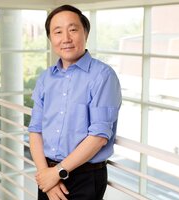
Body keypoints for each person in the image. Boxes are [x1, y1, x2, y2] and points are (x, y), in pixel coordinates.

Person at [28, 4, 122, 200]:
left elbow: (99, 136)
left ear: (85, 33)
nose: (66, 39)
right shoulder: (46, 78)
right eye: (58, 32)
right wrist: (47, 175)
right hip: (47, 173)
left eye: (73, 29)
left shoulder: (103, 76)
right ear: (50, 39)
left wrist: (57, 173)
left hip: (84, 176)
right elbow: (35, 129)